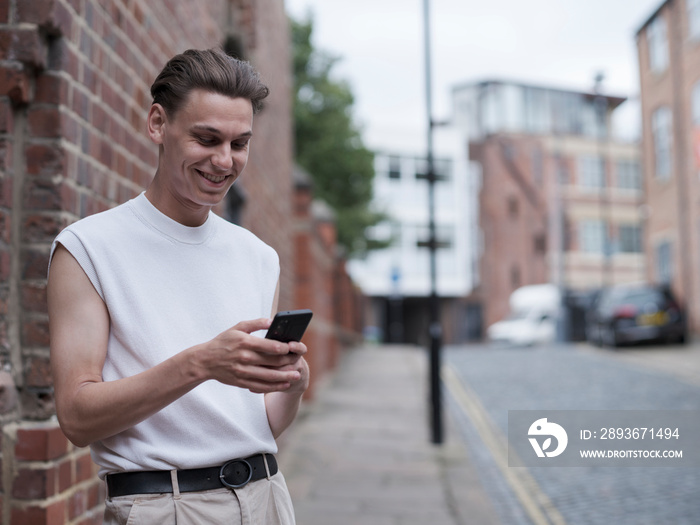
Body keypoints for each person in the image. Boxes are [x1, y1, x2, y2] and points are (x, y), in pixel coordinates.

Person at [47, 48, 308, 525]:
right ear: (157, 124)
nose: (224, 161)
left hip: (267, 498)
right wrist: (201, 363)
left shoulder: (258, 257)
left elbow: (261, 422)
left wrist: (291, 384)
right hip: (165, 507)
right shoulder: (87, 248)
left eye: (239, 143)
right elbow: (77, 417)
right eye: (207, 139)